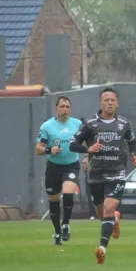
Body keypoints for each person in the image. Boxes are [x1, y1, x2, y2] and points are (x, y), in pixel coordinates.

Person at [70, 87, 136, 264]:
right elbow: (72, 144)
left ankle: (102, 249)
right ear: (101, 103)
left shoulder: (124, 124)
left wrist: (134, 155)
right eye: (106, 100)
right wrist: (88, 149)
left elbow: (132, 141)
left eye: (112, 100)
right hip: (95, 174)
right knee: (102, 215)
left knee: (109, 207)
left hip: (117, 172)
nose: (109, 103)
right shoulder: (90, 123)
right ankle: (114, 219)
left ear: (117, 103)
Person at [36, 96, 82, 245]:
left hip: (71, 165)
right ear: (56, 108)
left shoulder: (77, 124)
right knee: (53, 200)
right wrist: (50, 150)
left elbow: (87, 142)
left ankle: (66, 224)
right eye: (62, 107)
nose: (65, 110)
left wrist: (88, 155)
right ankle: (57, 232)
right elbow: (38, 149)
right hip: (54, 167)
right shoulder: (47, 126)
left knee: (68, 192)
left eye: (67, 107)